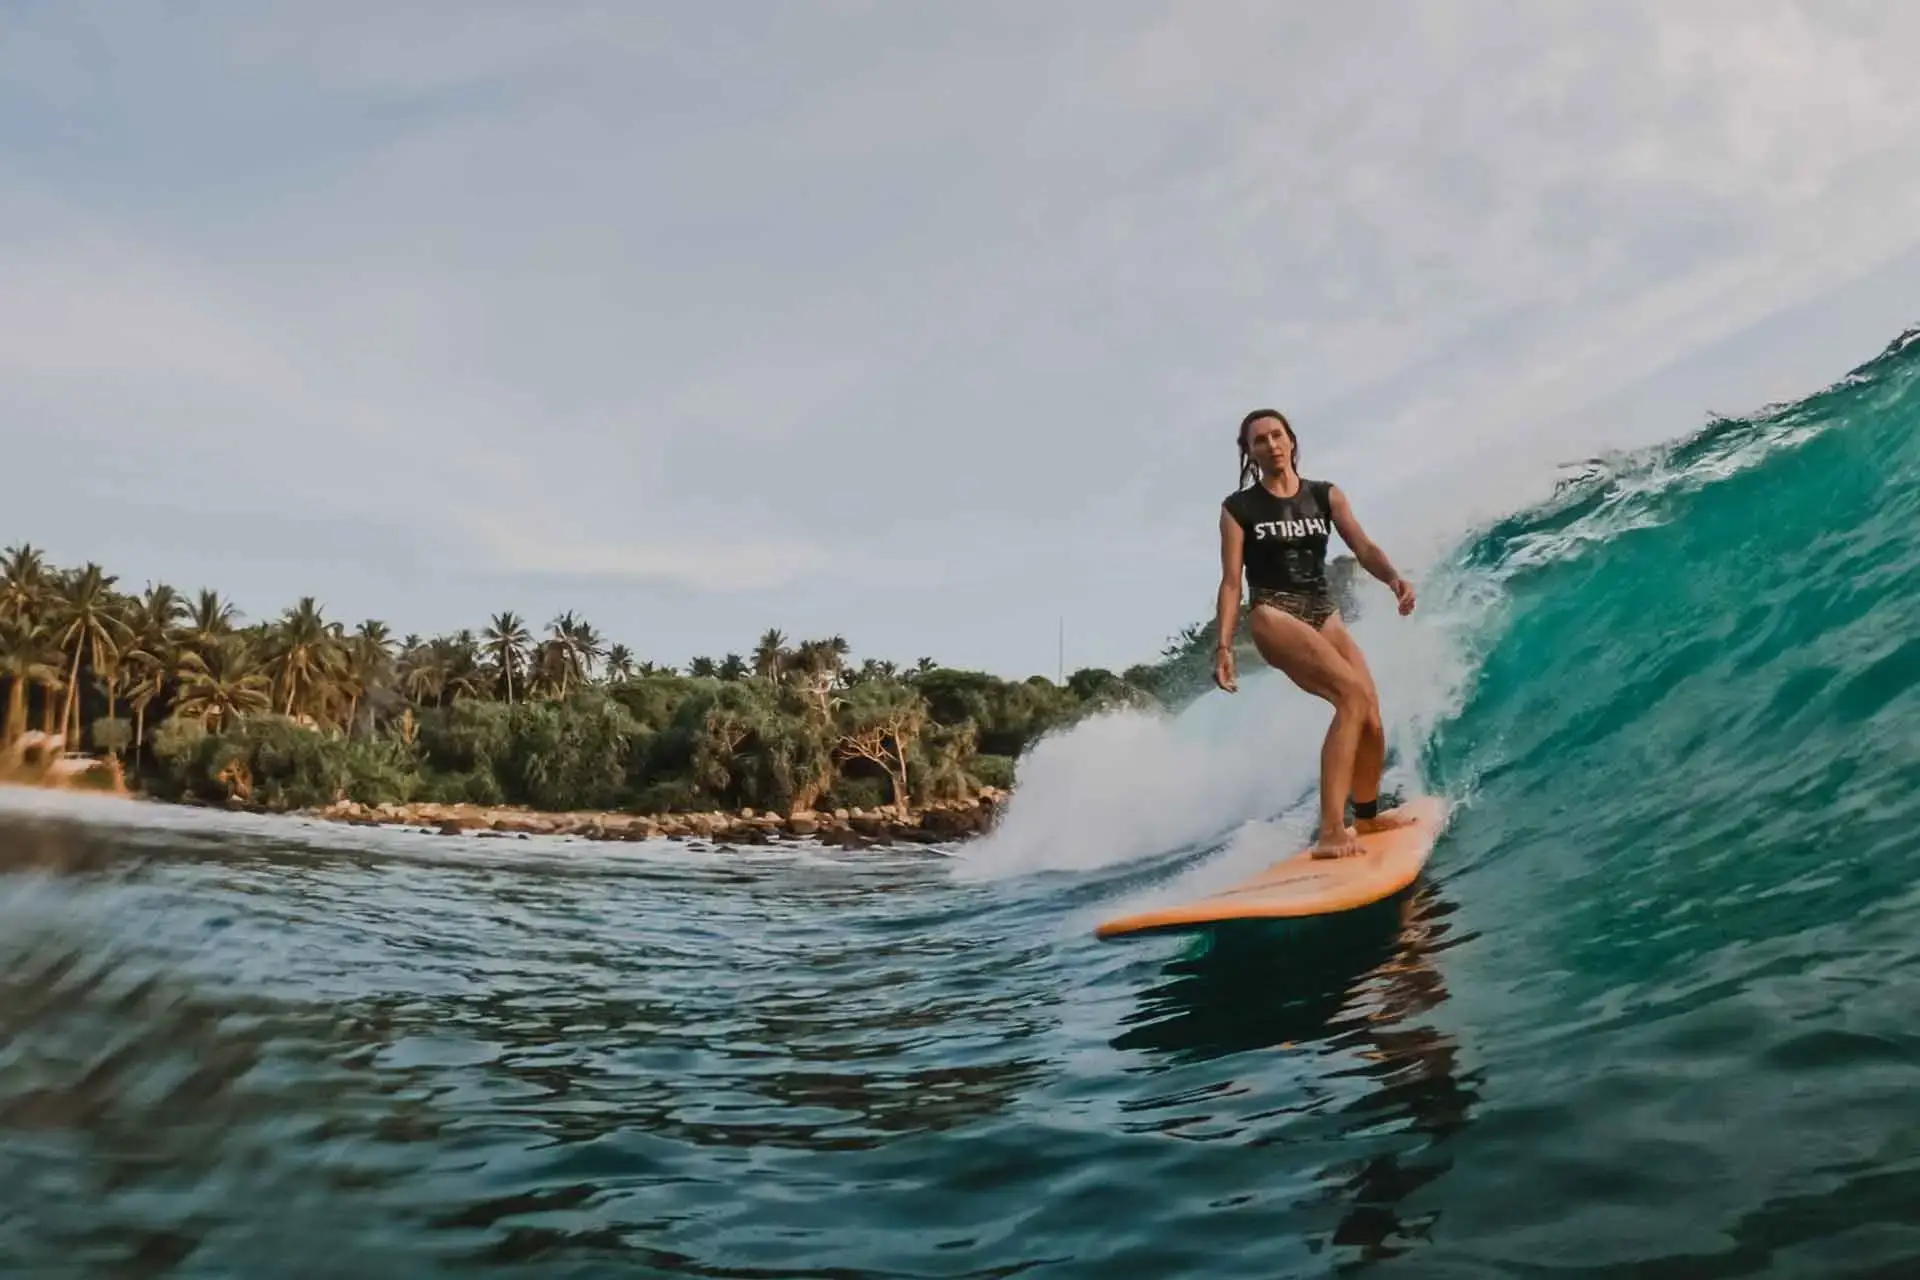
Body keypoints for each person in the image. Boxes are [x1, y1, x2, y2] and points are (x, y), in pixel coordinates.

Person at [1212, 408, 1417, 858]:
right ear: (1248, 452)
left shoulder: (1325, 495)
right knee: (1350, 697)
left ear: (1291, 440)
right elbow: (1230, 582)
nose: (1271, 445)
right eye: (1259, 440)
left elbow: (1362, 546)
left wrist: (1393, 579)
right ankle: (1330, 831)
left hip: (1323, 611)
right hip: (1273, 612)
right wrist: (1223, 645)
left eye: (1277, 435)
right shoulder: (1238, 508)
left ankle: (1366, 817)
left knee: (1371, 714)